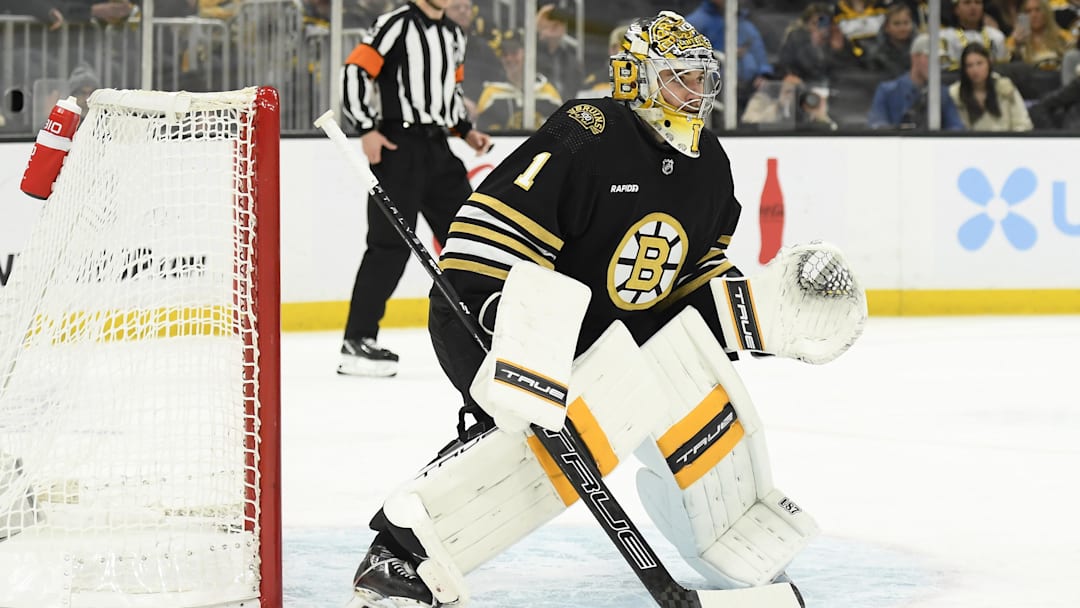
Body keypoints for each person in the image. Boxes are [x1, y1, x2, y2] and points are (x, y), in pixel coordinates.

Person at [344, 10, 863, 608]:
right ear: (636, 79)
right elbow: (488, 237)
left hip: (608, 339)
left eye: (701, 78)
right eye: (678, 78)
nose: (695, 92)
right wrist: (511, 329)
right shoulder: (585, 133)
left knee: (693, 383)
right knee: (554, 433)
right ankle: (401, 550)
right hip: (502, 314)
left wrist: (757, 314)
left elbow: (688, 283)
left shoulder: (710, 166)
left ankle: (732, 533)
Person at [338, 0, 492, 377]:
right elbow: (355, 70)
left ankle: (484, 330)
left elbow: (450, 90)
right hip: (399, 147)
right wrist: (366, 128)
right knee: (389, 246)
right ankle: (357, 341)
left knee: (469, 239)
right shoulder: (396, 24)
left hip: (439, 148)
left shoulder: (454, 34)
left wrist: (465, 130)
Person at [687, 0, 774, 114]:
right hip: (716, 89)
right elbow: (689, 59)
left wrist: (763, 73)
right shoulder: (695, 22)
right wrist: (726, 55)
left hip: (750, 87)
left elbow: (758, 50)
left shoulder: (743, 22)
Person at [868, 32, 967, 129]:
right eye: (930, 57)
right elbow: (877, 125)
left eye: (938, 60)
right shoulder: (887, 91)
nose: (935, 64)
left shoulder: (942, 93)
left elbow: (956, 127)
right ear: (915, 57)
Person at [475, 29, 563, 131]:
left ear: (527, 55)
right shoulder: (491, 94)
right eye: (504, 54)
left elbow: (561, 132)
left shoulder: (548, 93)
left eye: (514, 53)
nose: (509, 59)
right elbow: (485, 133)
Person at [949, 42, 1034, 129]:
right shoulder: (955, 94)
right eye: (969, 65)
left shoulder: (1005, 88)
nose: (975, 70)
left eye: (979, 63)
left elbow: (1024, 124)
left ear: (988, 63)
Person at [446, 0, 502, 120]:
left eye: (467, 8)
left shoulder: (483, 48)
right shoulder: (433, 45)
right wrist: (459, 101)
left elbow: (497, 81)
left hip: (482, 115)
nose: (462, 11)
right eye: (456, 7)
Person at [535, 3, 586, 101]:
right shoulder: (526, 56)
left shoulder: (572, 62)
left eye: (562, 21)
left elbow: (578, 94)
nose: (556, 24)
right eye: (550, 18)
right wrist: (535, 29)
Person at [1006, 0, 1075, 71]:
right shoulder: (1014, 41)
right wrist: (1017, 47)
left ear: (1046, 12)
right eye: (1028, 11)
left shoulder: (1064, 36)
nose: (1033, 15)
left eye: (1038, 10)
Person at [941, 0, 1011, 70]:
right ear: (956, 9)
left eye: (978, 2)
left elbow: (1003, 68)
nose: (973, 7)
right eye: (967, 3)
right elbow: (945, 69)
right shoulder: (945, 36)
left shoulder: (996, 36)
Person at [863, 2, 916, 77]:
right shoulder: (876, 55)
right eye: (896, 24)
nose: (902, 28)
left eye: (906, 23)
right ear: (886, 27)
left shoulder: (922, 50)